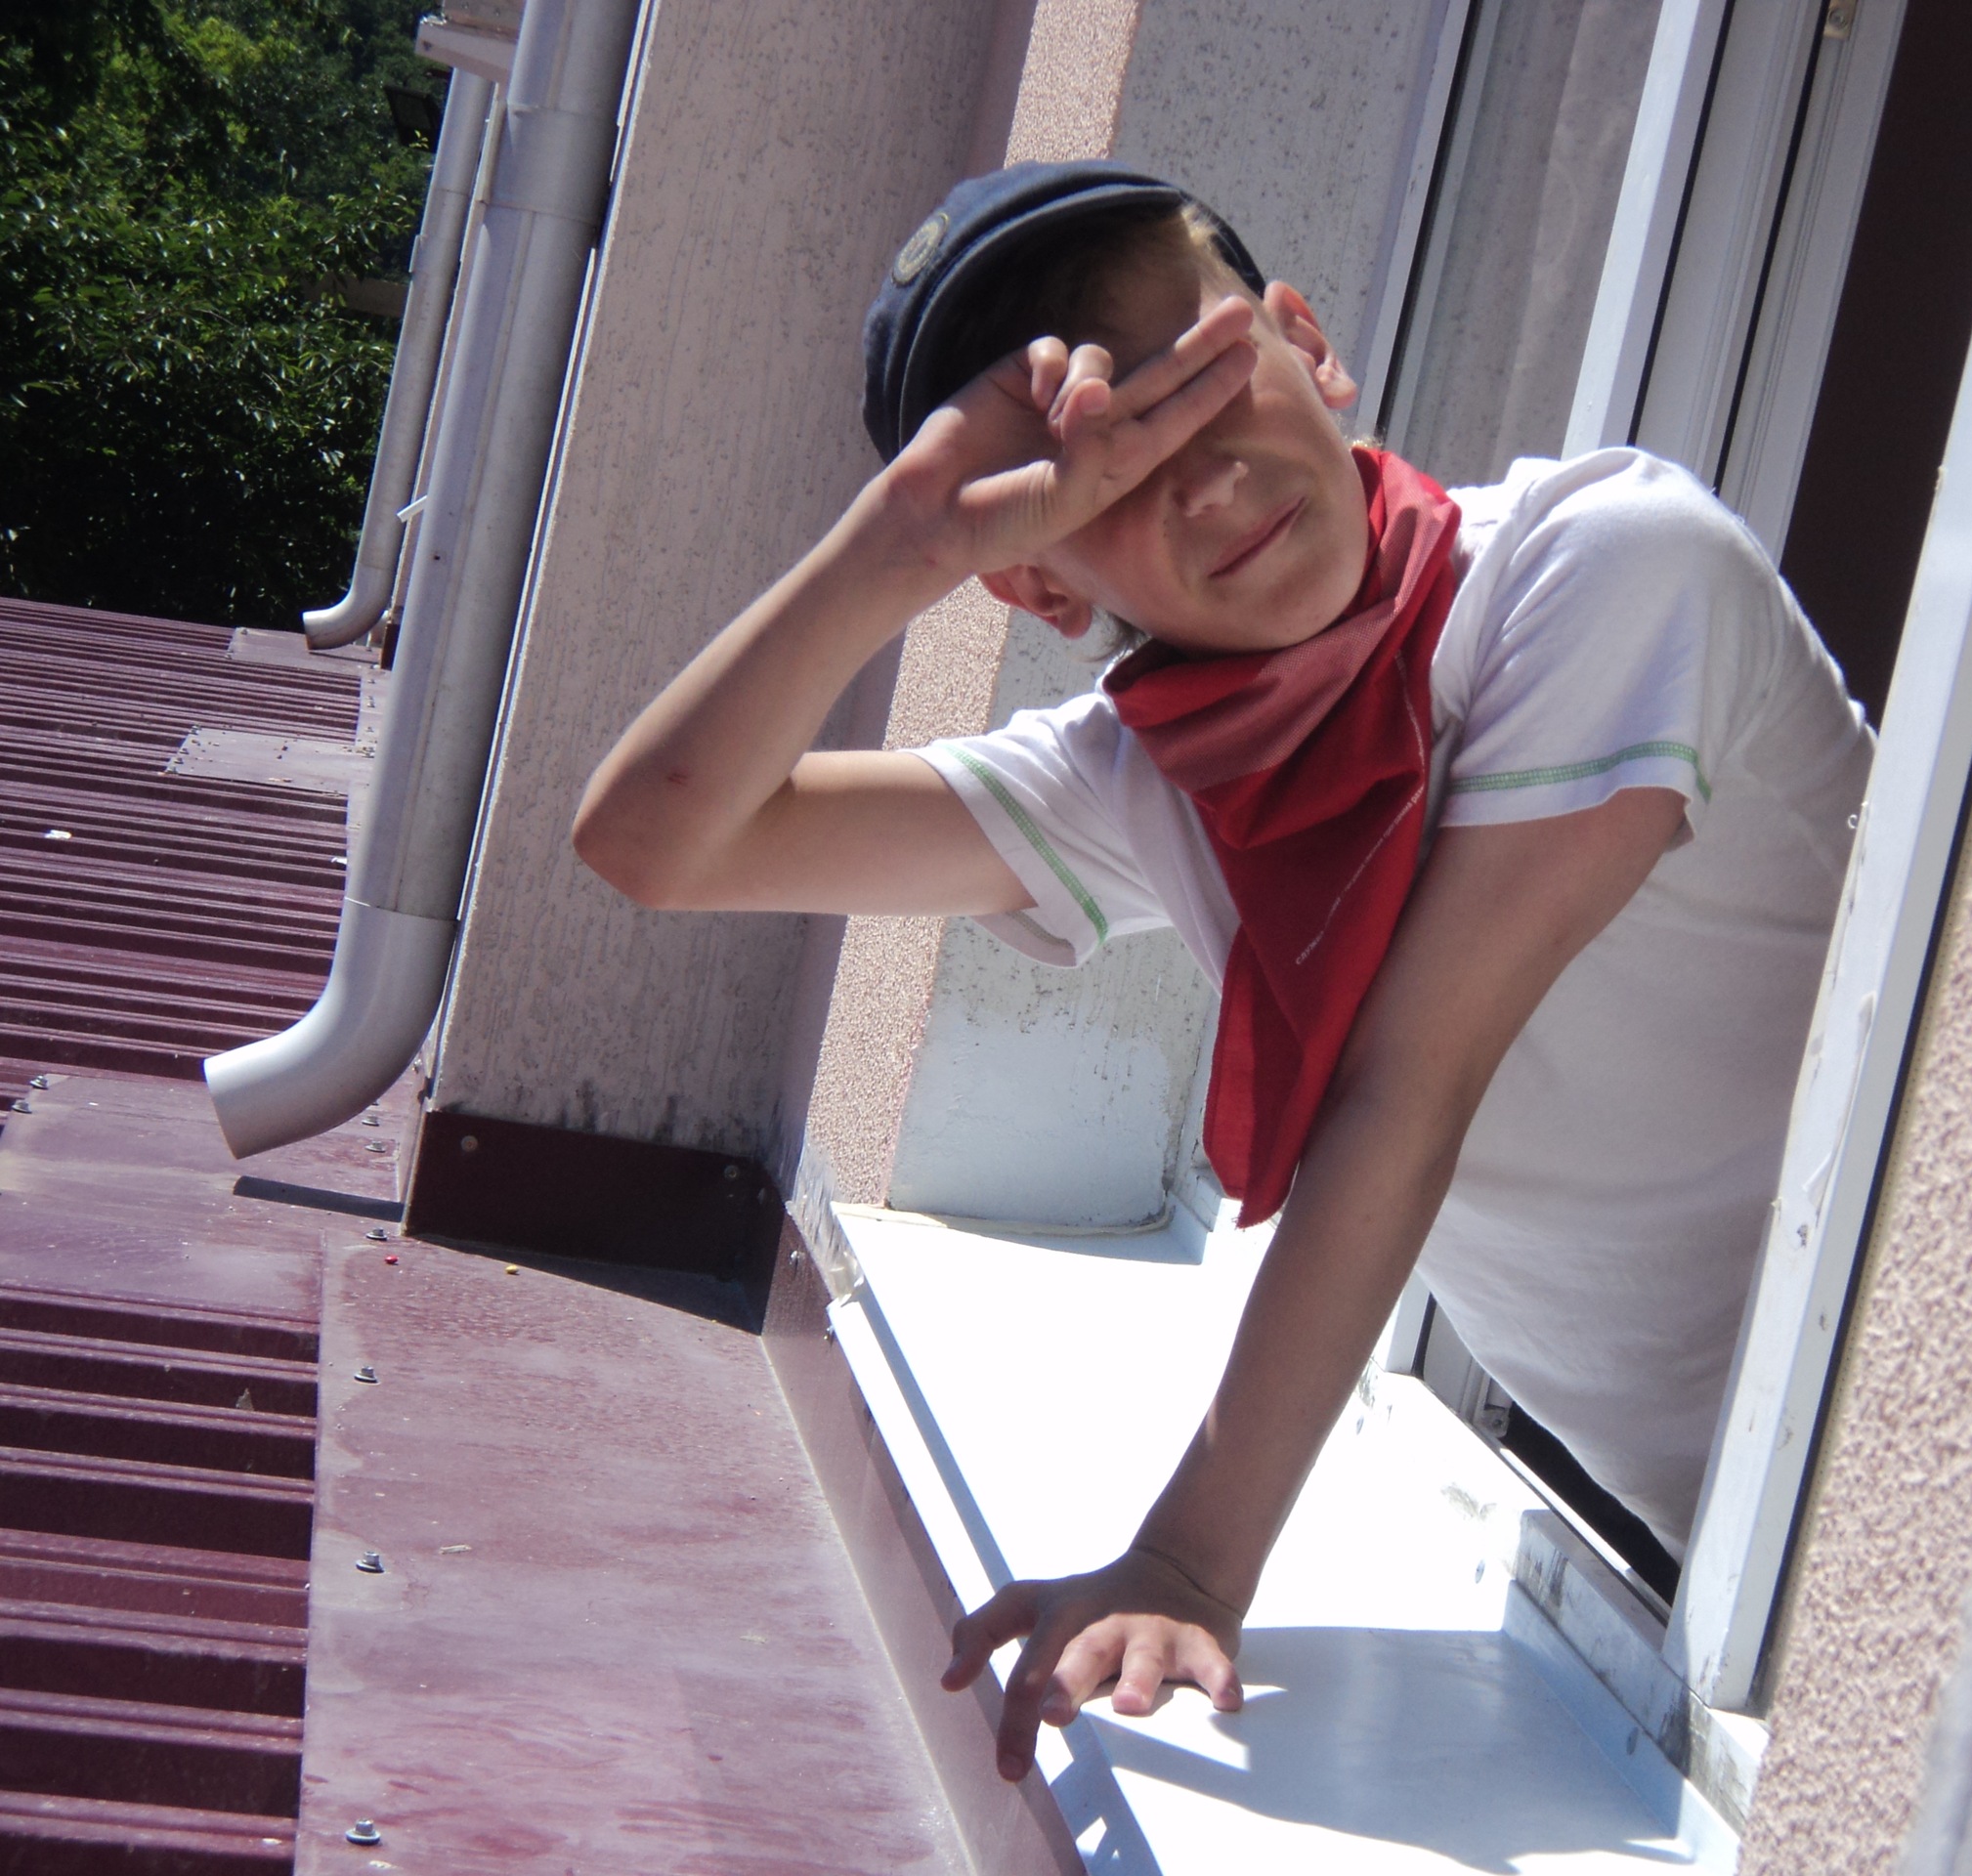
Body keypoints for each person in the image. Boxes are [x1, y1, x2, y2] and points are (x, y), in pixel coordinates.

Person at [573, 161, 1871, 1784]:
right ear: (1037, 580)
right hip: (1744, 1563)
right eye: (1101, 467)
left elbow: (1411, 1081)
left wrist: (1190, 1562)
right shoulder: (1152, 774)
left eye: (1198, 381)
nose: (1198, 480)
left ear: (1308, 347)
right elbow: (659, 844)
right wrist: (894, 552)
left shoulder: (1605, 569)